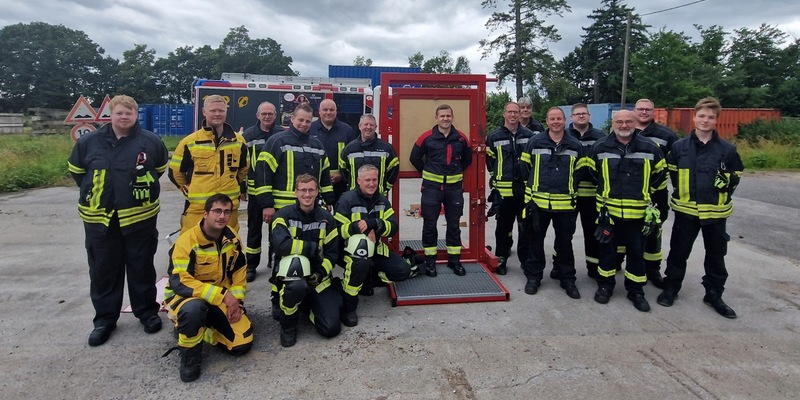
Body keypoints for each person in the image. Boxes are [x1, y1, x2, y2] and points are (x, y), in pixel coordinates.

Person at [68, 95, 168, 347]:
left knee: (141, 267)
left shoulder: (150, 142)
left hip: (139, 218)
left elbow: (158, 170)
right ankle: (104, 320)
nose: (124, 117)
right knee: (103, 270)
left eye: (129, 113)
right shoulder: (89, 142)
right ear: (110, 115)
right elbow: (78, 173)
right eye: (120, 113)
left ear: (136, 115)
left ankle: (146, 312)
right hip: (100, 219)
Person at [657, 97, 744, 319]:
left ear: (716, 121)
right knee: (678, 253)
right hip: (686, 211)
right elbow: (668, 175)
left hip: (716, 213)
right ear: (694, 117)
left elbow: (737, 175)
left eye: (711, 117)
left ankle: (714, 295)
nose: (705, 120)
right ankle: (671, 289)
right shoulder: (679, 148)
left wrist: (728, 184)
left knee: (716, 256)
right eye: (702, 116)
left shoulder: (727, 150)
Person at [255, 103, 335, 314]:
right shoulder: (277, 141)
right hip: (282, 210)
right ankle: (278, 292)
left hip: (310, 207)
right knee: (281, 251)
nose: (304, 124)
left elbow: (324, 175)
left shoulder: (317, 144)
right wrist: (267, 205)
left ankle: (306, 286)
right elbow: (263, 173)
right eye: (300, 120)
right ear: (292, 119)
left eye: (308, 121)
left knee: (309, 244)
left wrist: (328, 198)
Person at [163, 194, 252, 382]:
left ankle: (204, 331)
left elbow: (239, 271)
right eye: (217, 211)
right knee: (193, 310)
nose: (222, 216)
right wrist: (223, 296)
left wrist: (237, 303)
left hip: (220, 297)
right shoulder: (187, 241)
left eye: (227, 212)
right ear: (205, 214)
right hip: (187, 297)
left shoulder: (232, 237)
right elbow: (181, 281)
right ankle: (189, 356)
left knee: (241, 344)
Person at [587, 109, 666, 312]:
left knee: (636, 253)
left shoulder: (650, 148)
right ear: (612, 123)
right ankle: (605, 286)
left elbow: (660, 175)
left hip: (639, 214)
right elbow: (590, 173)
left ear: (635, 123)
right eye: (619, 122)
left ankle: (636, 291)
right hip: (609, 214)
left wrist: (645, 193)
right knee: (606, 252)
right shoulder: (600, 147)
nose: (624, 125)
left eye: (628, 122)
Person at [334, 164, 418, 327]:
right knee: (361, 258)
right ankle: (349, 307)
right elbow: (337, 231)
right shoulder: (346, 200)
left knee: (403, 271)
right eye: (367, 180)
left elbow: (393, 228)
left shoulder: (382, 200)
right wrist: (359, 228)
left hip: (376, 249)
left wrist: (374, 223)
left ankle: (368, 277)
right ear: (359, 181)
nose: (372, 184)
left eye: (374, 180)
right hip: (350, 252)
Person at [519, 107, 584, 299]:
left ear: (564, 121)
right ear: (546, 121)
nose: (555, 122)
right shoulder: (534, 142)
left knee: (565, 243)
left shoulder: (574, 145)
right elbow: (525, 168)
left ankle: (567, 279)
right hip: (538, 204)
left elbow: (580, 172)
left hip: (565, 206)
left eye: (559, 118)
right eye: (552, 119)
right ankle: (533, 277)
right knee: (535, 242)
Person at [271, 174, 342, 347]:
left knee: (330, 328)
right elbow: (281, 246)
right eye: (303, 190)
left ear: (317, 192)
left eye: (311, 190)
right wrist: (312, 248)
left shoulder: (327, 218)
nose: (307, 194)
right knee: (295, 286)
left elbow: (332, 255)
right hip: (291, 279)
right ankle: (288, 327)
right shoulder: (283, 216)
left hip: (318, 280)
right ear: (295, 192)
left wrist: (319, 273)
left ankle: (305, 305)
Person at [169, 95, 248, 234]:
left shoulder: (239, 141)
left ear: (226, 112)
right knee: (192, 248)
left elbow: (244, 168)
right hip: (198, 209)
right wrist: (189, 190)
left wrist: (233, 183)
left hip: (228, 209)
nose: (217, 114)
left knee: (229, 248)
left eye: (221, 110)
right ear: (204, 112)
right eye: (213, 110)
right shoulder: (189, 142)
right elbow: (175, 172)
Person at [410, 104, 473, 277]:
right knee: (429, 225)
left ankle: (455, 261)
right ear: (436, 118)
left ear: (452, 117)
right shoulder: (426, 137)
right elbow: (414, 157)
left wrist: (455, 171)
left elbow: (467, 159)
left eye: (448, 116)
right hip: (431, 188)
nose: (445, 119)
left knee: (454, 224)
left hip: (454, 189)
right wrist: (428, 171)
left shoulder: (461, 138)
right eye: (442, 116)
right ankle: (430, 262)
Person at [632, 99, 679, 288]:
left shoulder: (666, 135)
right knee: (624, 231)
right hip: (629, 192)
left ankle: (652, 269)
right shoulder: (623, 130)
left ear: (654, 112)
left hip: (655, 193)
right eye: (640, 109)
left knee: (653, 232)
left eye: (647, 109)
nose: (644, 112)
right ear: (634, 111)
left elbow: (675, 164)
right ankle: (618, 263)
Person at [485, 102, 535, 275]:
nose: (513, 115)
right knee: (503, 229)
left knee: (525, 228)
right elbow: (490, 161)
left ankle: (526, 262)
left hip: (524, 191)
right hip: (504, 192)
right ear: (504, 114)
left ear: (520, 114)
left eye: (516, 112)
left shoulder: (530, 135)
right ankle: (501, 259)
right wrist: (496, 175)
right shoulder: (494, 136)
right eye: (510, 112)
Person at [242, 101, 283, 282]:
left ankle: (275, 261)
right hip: (256, 192)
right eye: (264, 113)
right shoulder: (248, 136)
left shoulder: (282, 134)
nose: (267, 117)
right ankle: (251, 265)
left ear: (276, 115)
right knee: (254, 229)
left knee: (277, 229)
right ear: (258, 115)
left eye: (270, 113)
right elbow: (243, 165)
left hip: (278, 191)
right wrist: (242, 188)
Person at [566, 103, 607, 280]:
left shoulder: (601, 137)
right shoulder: (563, 135)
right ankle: (561, 266)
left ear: (589, 116)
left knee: (592, 233)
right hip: (569, 195)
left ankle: (593, 266)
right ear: (571, 117)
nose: (581, 116)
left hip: (592, 194)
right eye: (577, 114)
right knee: (565, 233)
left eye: (584, 113)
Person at [310, 99, 357, 202]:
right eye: (325, 109)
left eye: (331, 110)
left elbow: (353, 157)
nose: (328, 112)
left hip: (341, 184)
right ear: (319, 111)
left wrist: (341, 175)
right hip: (314, 183)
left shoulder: (346, 130)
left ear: (336, 111)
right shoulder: (310, 129)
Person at [340, 114, 399, 196]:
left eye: (371, 125)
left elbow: (393, 170)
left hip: (378, 196)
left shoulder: (386, 148)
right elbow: (343, 171)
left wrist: (384, 188)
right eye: (366, 124)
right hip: (354, 197)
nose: (368, 127)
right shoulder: (349, 149)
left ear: (376, 127)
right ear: (359, 126)